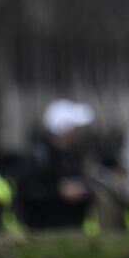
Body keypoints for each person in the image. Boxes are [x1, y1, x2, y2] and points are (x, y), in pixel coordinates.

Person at [18, 99, 95, 231]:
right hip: (46, 232)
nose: (78, 132)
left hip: (72, 230)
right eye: (74, 127)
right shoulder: (40, 157)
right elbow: (27, 193)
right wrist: (58, 192)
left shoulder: (73, 156)